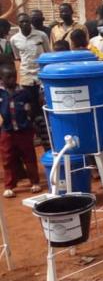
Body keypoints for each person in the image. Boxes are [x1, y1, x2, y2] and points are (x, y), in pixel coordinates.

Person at [0, 64, 41, 198]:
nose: (12, 79)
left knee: (29, 156)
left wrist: (29, 119)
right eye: (8, 77)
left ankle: (35, 182)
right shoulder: (1, 94)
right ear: (2, 79)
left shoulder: (23, 93)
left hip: (24, 131)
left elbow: (31, 107)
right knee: (7, 158)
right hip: (7, 131)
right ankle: (9, 185)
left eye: (14, 76)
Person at [10, 12, 50, 120]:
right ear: (18, 24)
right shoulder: (14, 39)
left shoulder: (41, 35)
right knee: (30, 104)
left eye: (26, 21)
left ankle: (45, 129)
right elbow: (18, 57)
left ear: (30, 22)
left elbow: (48, 53)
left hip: (41, 74)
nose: (24, 24)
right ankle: (34, 131)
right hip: (26, 76)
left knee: (43, 102)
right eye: (21, 22)